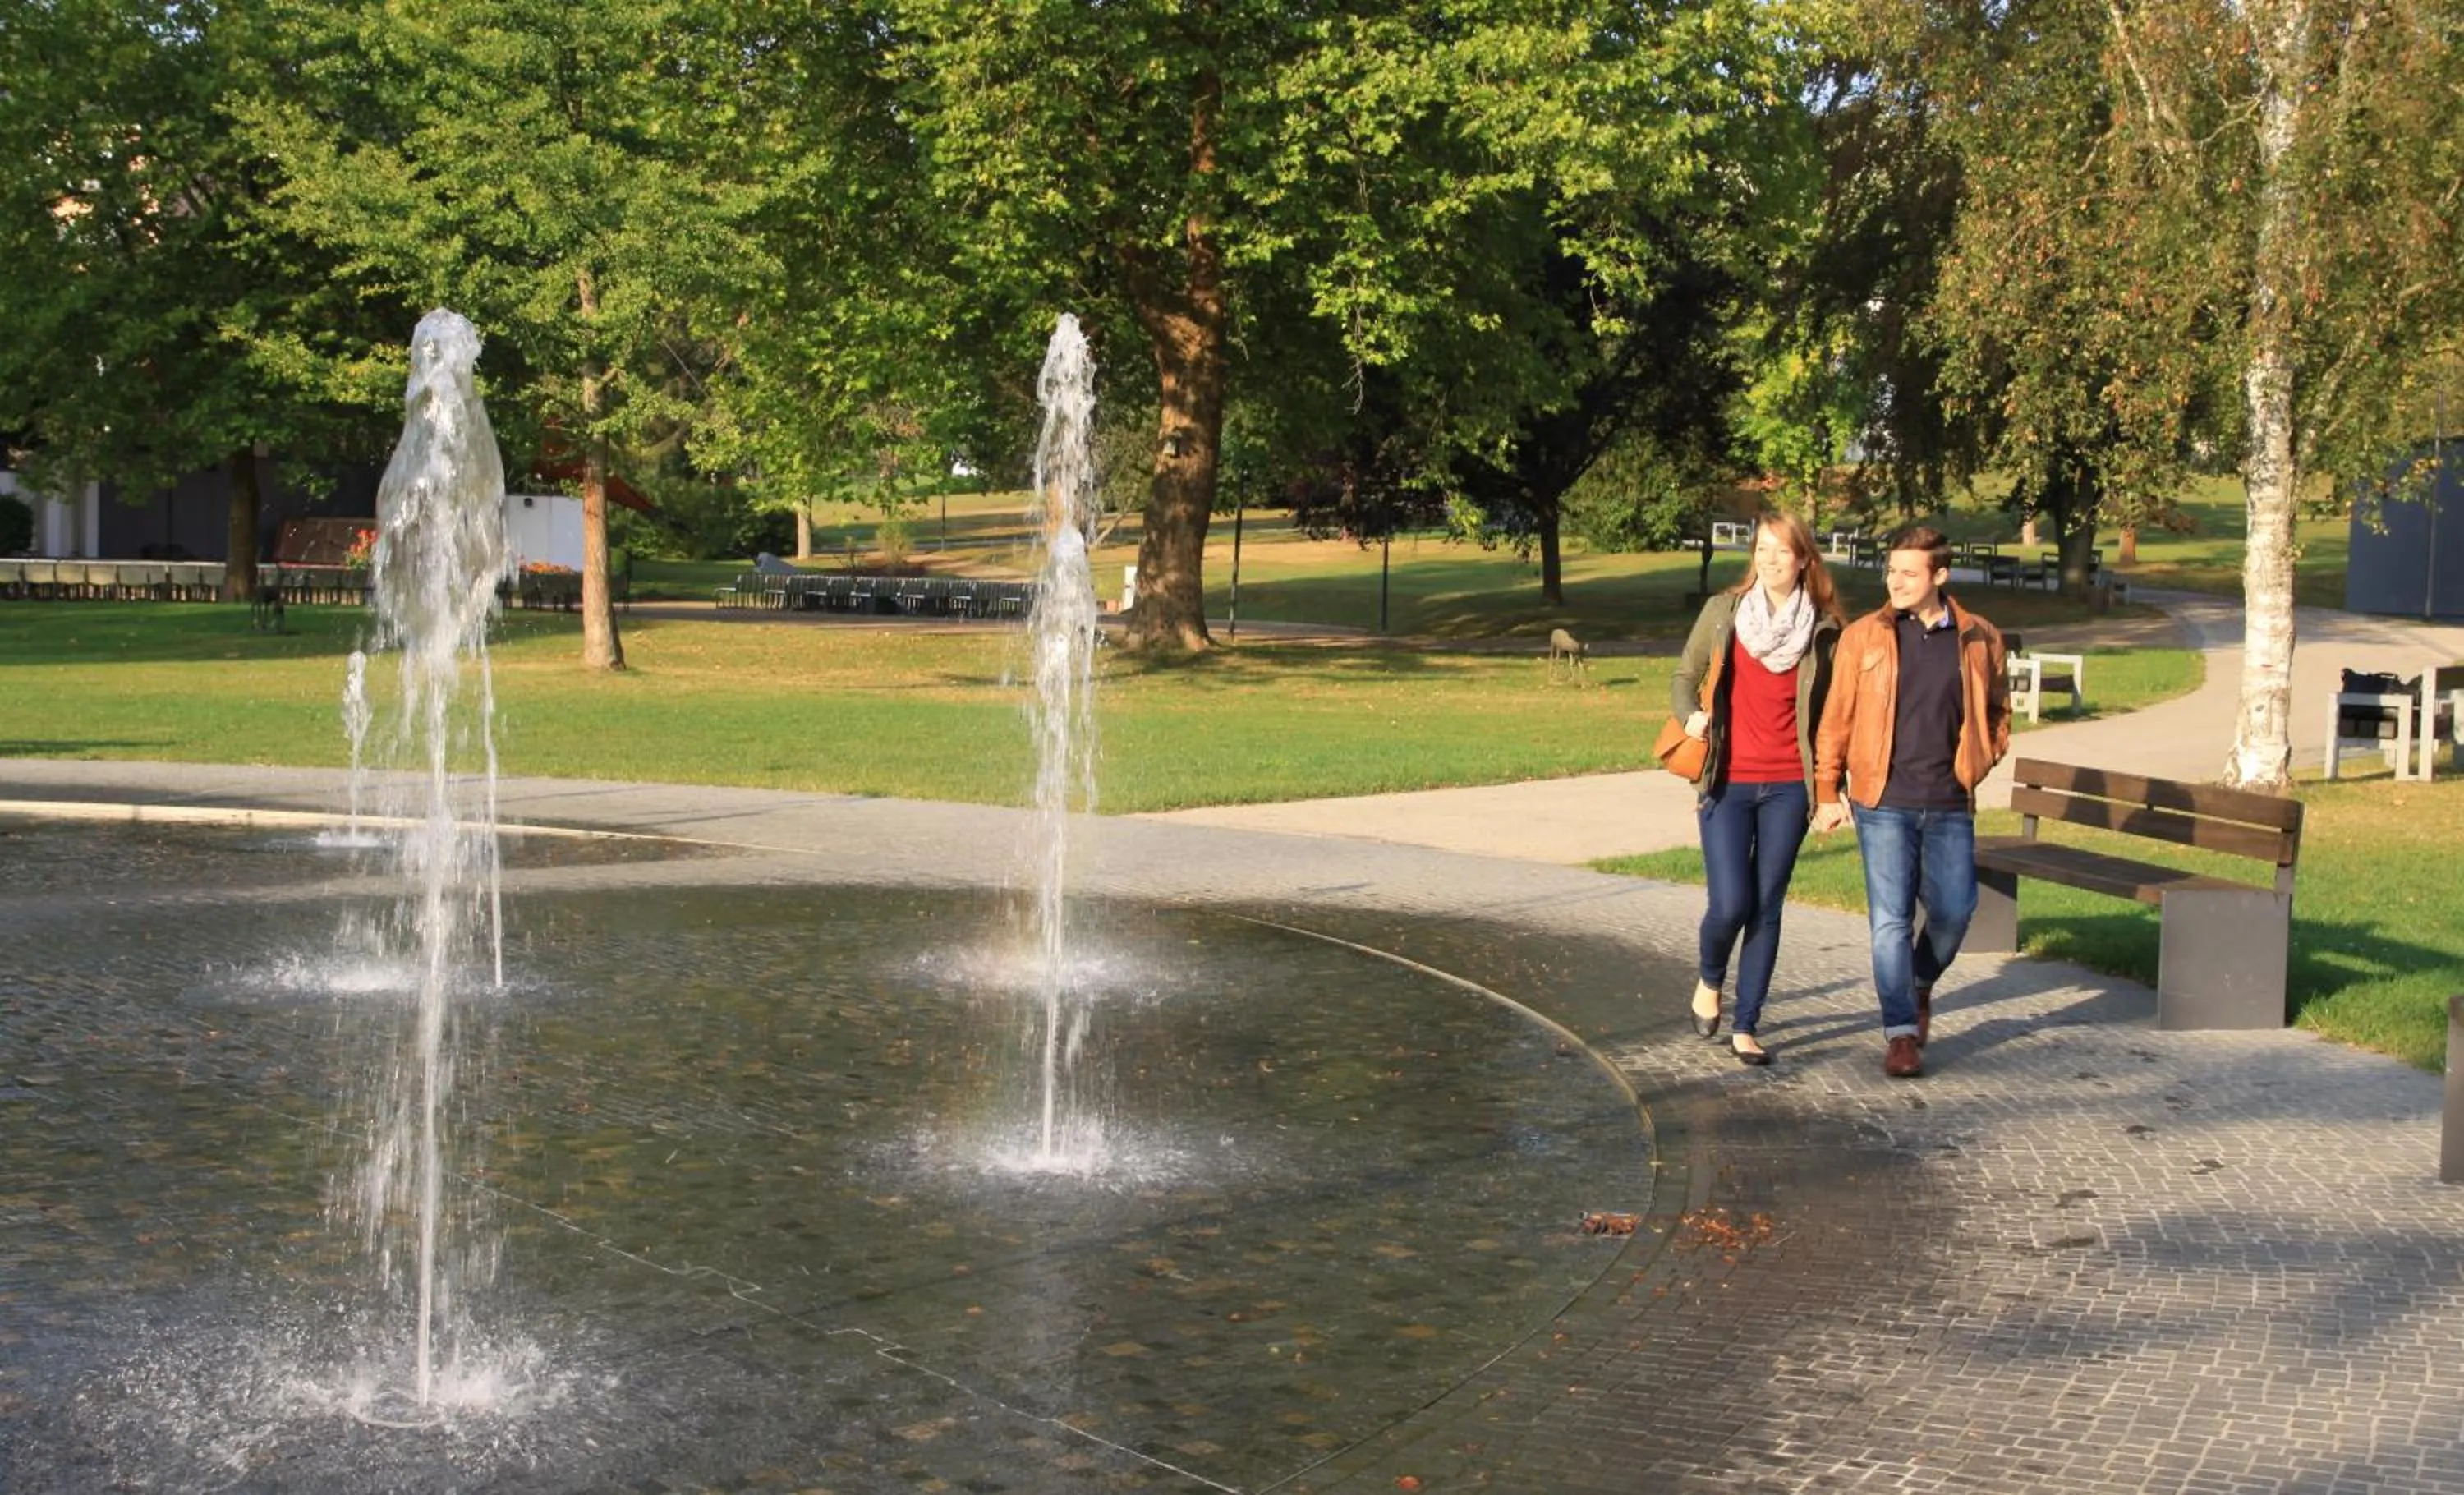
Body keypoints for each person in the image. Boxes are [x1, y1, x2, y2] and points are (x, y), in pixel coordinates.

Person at [1810, 524, 2010, 1079]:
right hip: (1883, 800)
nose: (1894, 581)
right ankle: (1900, 1033)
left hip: (1949, 801)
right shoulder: (1863, 638)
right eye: (1891, 570)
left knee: (1954, 911)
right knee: (1889, 922)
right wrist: (1828, 790)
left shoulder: (1980, 638)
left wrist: (1980, 758)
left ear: (1939, 576)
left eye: (1907, 572)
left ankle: (1920, 983)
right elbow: (1836, 721)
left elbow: (1997, 713)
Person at [1670, 512, 1844, 1065]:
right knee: (1730, 903)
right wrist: (1691, 714)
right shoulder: (1725, 612)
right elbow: (1683, 676)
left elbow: (1835, 713)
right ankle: (1710, 977)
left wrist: (1831, 787)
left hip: (1790, 786)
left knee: (1767, 905)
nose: (1771, 559)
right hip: (1728, 780)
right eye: (1763, 549)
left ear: (1803, 560)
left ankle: (1747, 1025)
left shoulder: (1823, 628)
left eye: (1782, 550)